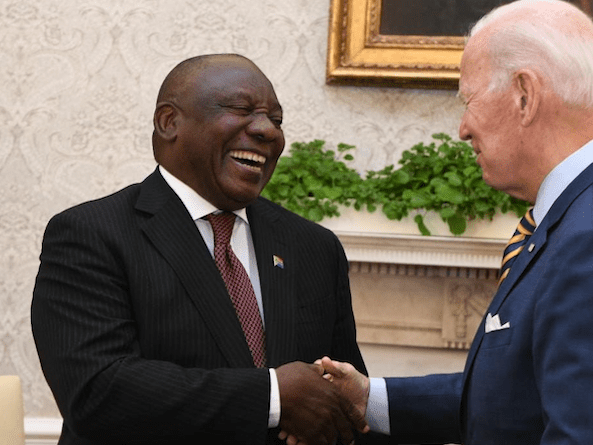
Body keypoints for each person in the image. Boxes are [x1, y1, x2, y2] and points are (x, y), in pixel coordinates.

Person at [319, 1, 593, 444]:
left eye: (468, 100)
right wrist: (368, 399)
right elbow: (519, 395)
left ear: (524, 96)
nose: (462, 128)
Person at [31, 54, 377, 445]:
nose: (268, 131)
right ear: (169, 122)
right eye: (241, 110)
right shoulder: (92, 234)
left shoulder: (313, 246)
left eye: (276, 120)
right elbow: (97, 392)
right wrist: (273, 394)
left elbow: (346, 404)